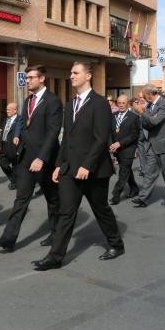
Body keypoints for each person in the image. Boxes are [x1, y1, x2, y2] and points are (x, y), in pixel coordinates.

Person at [32, 62, 124, 271]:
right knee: (66, 212)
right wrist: (58, 165)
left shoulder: (99, 103)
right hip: (69, 169)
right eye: (70, 72)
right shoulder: (70, 104)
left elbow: (101, 139)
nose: (71, 76)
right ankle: (55, 257)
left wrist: (87, 166)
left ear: (88, 76)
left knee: (100, 209)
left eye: (75, 73)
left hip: (94, 170)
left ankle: (116, 244)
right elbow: (67, 139)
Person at [0, 65, 63, 252]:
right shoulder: (27, 100)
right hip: (26, 159)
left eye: (31, 77)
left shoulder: (52, 101)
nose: (28, 80)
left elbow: (53, 131)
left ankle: (56, 233)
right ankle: (8, 239)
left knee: (53, 198)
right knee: (21, 198)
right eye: (27, 77)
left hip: (45, 160)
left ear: (42, 79)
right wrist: (18, 139)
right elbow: (24, 123)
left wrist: (42, 158)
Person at [132, 84, 165, 208]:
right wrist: (149, 117)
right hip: (151, 143)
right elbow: (147, 124)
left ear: (149, 94)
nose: (143, 99)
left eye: (144, 96)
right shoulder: (149, 105)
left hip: (163, 143)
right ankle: (143, 198)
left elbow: (155, 121)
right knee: (149, 172)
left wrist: (142, 112)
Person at [109, 94, 140, 205]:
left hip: (128, 149)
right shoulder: (113, 115)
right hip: (117, 150)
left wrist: (120, 143)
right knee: (126, 170)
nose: (121, 105)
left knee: (123, 172)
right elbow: (110, 132)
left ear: (127, 104)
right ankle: (134, 188)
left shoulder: (134, 117)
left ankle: (116, 195)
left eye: (123, 103)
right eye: (119, 103)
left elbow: (134, 135)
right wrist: (111, 145)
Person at [0, 102, 22, 190]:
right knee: (2, 164)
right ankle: (14, 179)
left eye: (9, 109)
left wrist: (16, 136)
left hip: (13, 146)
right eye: (7, 109)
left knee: (15, 165)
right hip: (4, 146)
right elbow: (3, 132)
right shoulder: (6, 120)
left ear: (15, 110)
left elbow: (18, 129)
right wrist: (0, 144)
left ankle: (14, 182)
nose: (7, 111)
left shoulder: (20, 119)